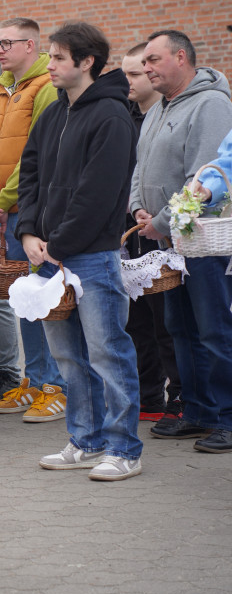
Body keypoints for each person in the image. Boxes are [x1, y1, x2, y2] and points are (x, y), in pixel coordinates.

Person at [17, 22, 142, 479]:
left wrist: (59, 245)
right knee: (69, 358)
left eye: (56, 58)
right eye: (49, 57)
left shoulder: (112, 116)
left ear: (85, 62)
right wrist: (29, 233)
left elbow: (99, 193)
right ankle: (85, 441)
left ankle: (124, 449)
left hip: (92, 258)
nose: (48, 65)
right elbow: (28, 173)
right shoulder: (52, 114)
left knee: (108, 352)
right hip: (48, 258)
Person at [130, 30, 232, 453]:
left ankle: (226, 417)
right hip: (167, 242)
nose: (147, 68)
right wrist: (139, 208)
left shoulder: (211, 105)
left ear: (181, 57)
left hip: (204, 243)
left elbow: (205, 175)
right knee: (180, 328)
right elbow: (141, 166)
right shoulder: (158, 107)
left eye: (153, 60)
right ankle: (197, 411)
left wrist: (163, 220)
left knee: (214, 330)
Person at [0, 17, 65, 418]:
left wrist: (4, 198)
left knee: (47, 298)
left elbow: (35, 154)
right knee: (21, 297)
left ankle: (56, 385)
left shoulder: (45, 87)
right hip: (0, 208)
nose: (0, 50)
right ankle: (32, 378)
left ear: (31, 45)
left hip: (30, 209)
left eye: (7, 43)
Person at [121, 44, 180, 422]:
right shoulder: (123, 118)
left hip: (169, 232)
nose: (128, 80)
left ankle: (178, 396)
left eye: (135, 73)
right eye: (125, 73)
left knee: (167, 322)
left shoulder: (163, 118)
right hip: (133, 229)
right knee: (137, 321)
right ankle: (148, 396)